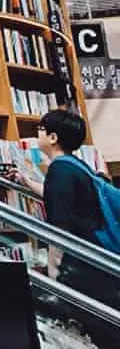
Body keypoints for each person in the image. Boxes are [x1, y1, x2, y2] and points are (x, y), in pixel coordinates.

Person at [37, 107, 115, 307]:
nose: (38, 132)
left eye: (41, 129)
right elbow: (70, 201)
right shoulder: (76, 166)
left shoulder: (58, 170)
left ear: (53, 137)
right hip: (96, 253)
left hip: (80, 262)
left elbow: (60, 227)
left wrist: (53, 270)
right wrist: (26, 182)